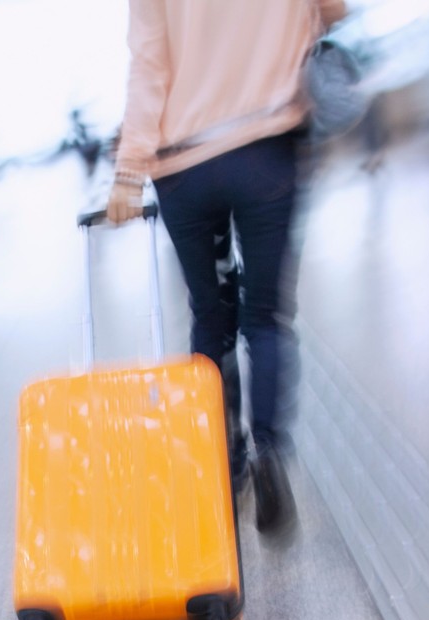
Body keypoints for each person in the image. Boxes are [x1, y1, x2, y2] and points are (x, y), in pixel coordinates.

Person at [105, 0, 347, 536]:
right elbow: (336, 9)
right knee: (266, 317)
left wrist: (128, 171)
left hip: (184, 167)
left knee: (211, 318)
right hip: (267, 148)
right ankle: (269, 451)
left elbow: (148, 64)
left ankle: (223, 457)